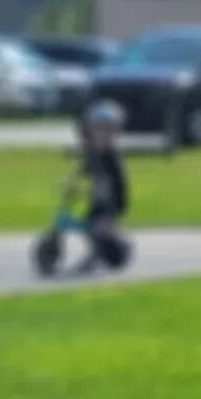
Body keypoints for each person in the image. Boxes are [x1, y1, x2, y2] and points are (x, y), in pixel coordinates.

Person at [71, 99, 129, 272]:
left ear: (114, 133)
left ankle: (100, 254)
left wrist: (101, 189)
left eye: (107, 131)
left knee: (99, 227)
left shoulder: (111, 156)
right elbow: (81, 171)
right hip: (97, 198)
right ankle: (100, 250)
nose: (102, 135)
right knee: (87, 225)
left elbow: (115, 181)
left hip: (113, 199)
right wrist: (72, 184)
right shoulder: (91, 153)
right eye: (98, 130)